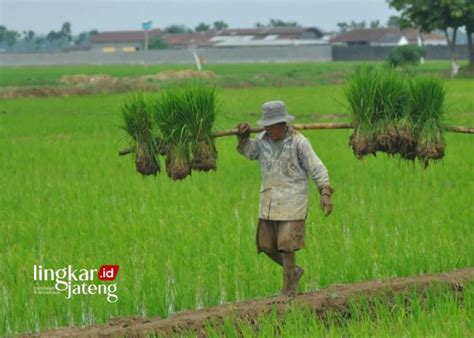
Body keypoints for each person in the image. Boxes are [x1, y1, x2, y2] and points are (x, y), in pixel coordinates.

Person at [236, 100, 334, 297]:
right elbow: (249, 152)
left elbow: (316, 166)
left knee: (287, 246)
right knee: (265, 245)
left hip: (292, 201)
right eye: (266, 125)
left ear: (283, 124)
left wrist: (325, 192)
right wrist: (243, 138)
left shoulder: (299, 142)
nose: (267, 129)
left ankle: (289, 289)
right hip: (269, 201)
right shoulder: (262, 140)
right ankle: (294, 271)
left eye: (271, 126)